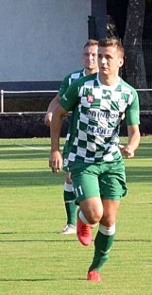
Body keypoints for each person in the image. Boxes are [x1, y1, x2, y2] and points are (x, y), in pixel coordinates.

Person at [49, 38, 140, 282]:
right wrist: (55, 150)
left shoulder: (128, 94)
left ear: (120, 61)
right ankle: (81, 218)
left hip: (111, 162)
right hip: (82, 160)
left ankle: (96, 267)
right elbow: (58, 114)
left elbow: (134, 131)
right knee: (95, 214)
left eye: (107, 57)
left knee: (109, 219)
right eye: (99, 56)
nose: (101, 61)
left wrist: (131, 146)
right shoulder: (82, 86)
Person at [44, 39, 99, 234]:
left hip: (102, 142)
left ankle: (88, 215)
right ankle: (72, 223)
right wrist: (51, 112)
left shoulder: (106, 79)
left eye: (94, 54)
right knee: (70, 177)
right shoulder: (72, 78)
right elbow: (58, 100)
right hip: (76, 139)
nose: (90, 58)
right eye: (87, 54)